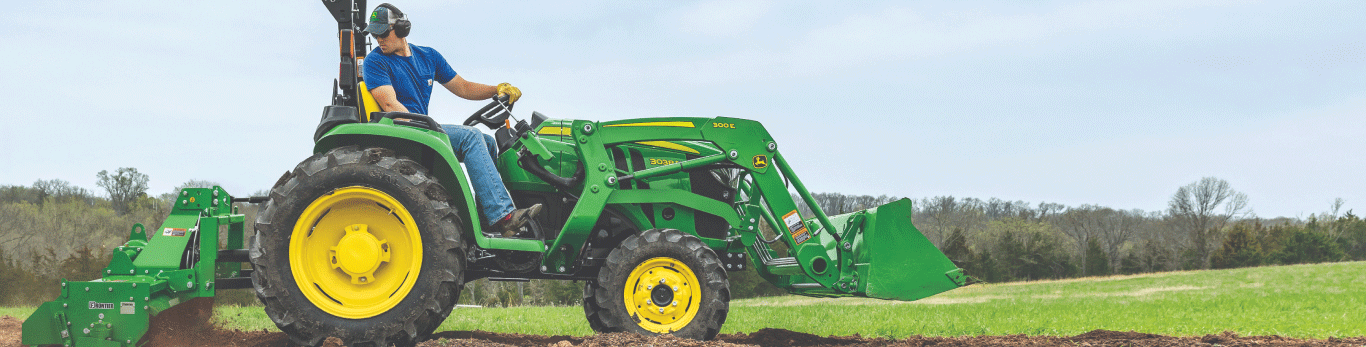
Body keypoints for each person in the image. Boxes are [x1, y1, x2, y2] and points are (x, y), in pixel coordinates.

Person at [361, 3, 540, 237]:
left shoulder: (428, 57)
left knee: (486, 141)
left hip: (422, 128)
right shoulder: (375, 62)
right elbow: (390, 105)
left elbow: (463, 88)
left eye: (383, 33)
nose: (378, 39)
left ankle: (490, 219)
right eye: (374, 34)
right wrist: (426, 127)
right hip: (404, 131)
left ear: (403, 29)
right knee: (471, 137)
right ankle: (505, 217)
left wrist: (497, 89)